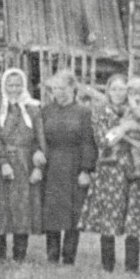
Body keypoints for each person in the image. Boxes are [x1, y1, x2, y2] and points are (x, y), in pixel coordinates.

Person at [79, 74, 140, 273]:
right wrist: (125, 129)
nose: (119, 93)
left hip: (132, 168)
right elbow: (103, 140)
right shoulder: (101, 111)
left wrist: (122, 133)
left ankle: (132, 266)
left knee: (133, 215)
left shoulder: (136, 110)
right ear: (108, 92)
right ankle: (107, 264)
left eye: (123, 89)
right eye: (115, 89)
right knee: (109, 215)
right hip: (109, 169)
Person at [0, 68, 47, 261]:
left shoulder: (33, 109)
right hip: (2, 162)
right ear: (4, 86)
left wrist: (39, 165)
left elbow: (40, 138)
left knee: (23, 205)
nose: (14, 89)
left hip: (25, 162)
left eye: (18, 85)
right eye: (10, 85)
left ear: (24, 86)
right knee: (1, 205)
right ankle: (0, 252)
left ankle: (20, 253)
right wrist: (2, 161)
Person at [41, 70, 96, 265]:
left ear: (73, 88)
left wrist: (86, 169)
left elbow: (88, 142)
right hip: (52, 164)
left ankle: (69, 255)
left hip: (74, 163)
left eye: (63, 88)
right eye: (55, 88)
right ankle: (52, 253)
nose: (59, 92)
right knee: (52, 209)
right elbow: (40, 139)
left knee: (74, 210)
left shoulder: (83, 112)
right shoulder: (46, 110)